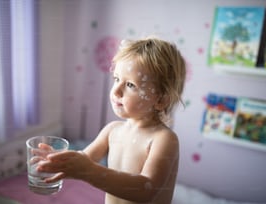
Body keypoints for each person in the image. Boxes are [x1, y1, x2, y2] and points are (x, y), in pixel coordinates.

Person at [37, 36, 186, 204]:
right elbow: (84, 159)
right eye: (116, 79)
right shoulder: (112, 130)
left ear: (161, 100)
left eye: (130, 85)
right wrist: (58, 160)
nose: (116, 91)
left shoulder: (163, 139)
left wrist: (89, 171)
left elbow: (147, 190)